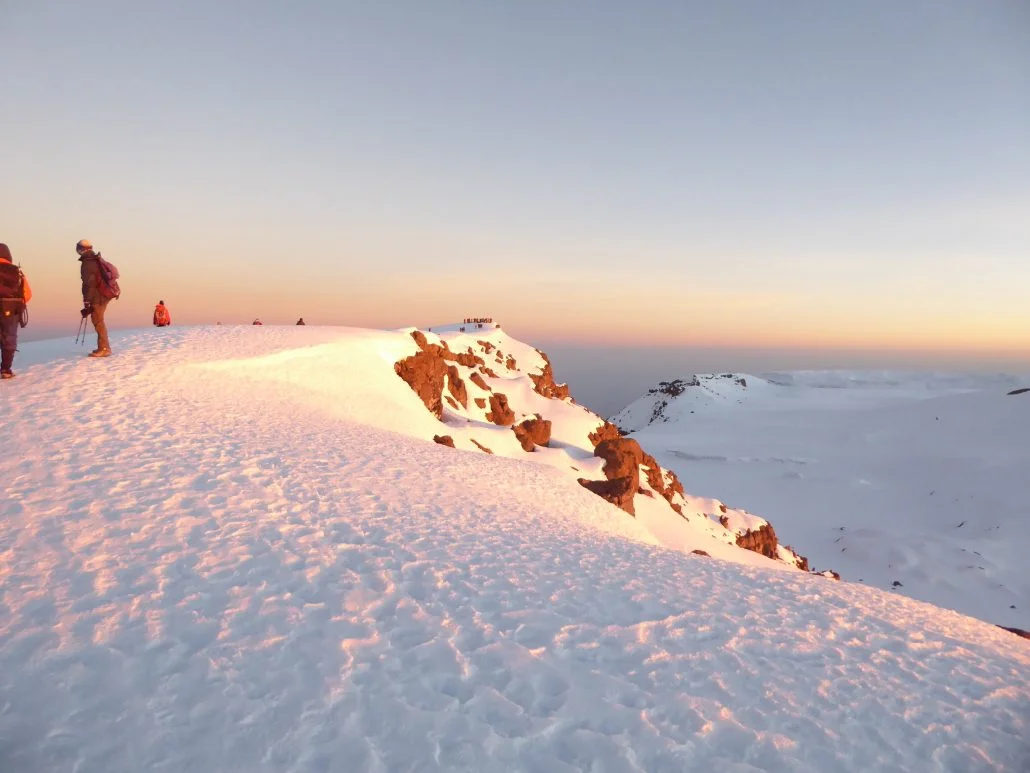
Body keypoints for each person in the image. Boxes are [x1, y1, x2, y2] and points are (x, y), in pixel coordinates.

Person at [0, 243, 31, 379]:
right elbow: (28, 294)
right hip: (11, 310)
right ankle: (6, 369)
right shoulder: (16, 272)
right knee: (9, 338)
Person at [77, 239, 112, 357]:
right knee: (97, 320)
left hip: (98, 297)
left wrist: (87, 300)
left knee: (98, 320)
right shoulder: (95, 259)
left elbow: (89, 283)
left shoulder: (88, 263)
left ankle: (104, 348)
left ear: (82, 249)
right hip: (103, 295)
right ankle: (102, 347)